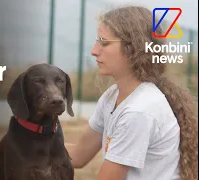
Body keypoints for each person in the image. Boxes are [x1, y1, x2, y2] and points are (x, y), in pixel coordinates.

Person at [65, 6, 198, 180]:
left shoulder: (140, 110)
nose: (94, 50)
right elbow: (78, 155)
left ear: (133, 49)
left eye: (104, 43)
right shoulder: (112, 96)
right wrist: (25, 140)